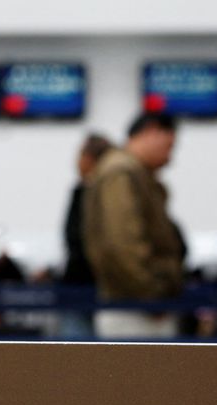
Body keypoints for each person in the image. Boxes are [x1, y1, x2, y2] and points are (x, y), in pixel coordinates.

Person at [83, 112, 185, 339]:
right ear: (151, 131)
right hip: (135, 309)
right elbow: (122, 245)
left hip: (137, 304)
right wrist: (152, 297)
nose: (170, 157)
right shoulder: (121, 173)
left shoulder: (132, 173)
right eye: (168, 146)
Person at [59, 133, 113, 338]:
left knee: (77, 357)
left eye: (81, 154)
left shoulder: (92, 193)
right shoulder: (83, 190)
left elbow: (78, 239)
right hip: (86, 286)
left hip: (85, 287)